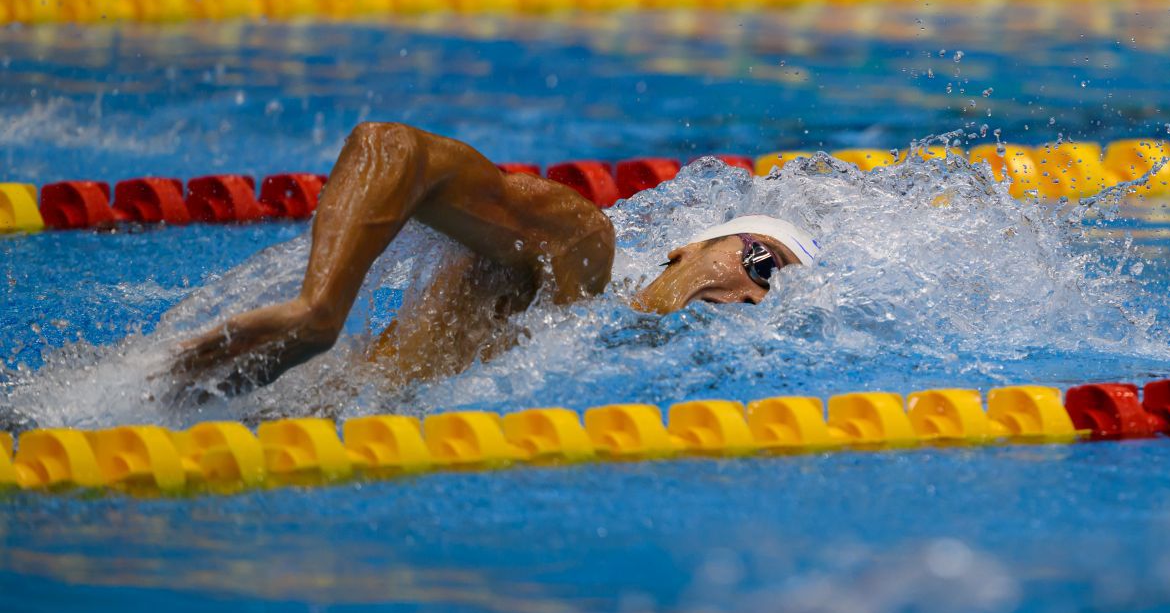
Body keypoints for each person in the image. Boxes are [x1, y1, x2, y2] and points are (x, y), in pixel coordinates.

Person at [172, 122, 820, 394]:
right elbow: (393, 147)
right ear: (684, 247)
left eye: (775, 290)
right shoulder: (576, 256)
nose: (758, 292)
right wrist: (319, 310)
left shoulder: (613, 358)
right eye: (760, 261)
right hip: (264, 398)